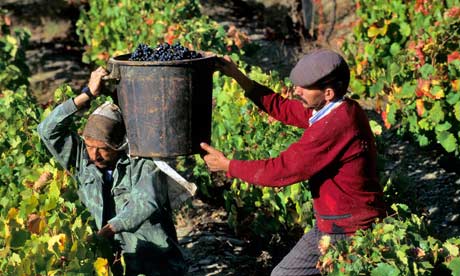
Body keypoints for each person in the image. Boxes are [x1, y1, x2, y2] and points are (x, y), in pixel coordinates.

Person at [200, 49, 386, 275]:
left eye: (304, 88)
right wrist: (238, 77)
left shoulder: (334, 125)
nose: (296, 91)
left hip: (346, 230)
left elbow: (281, 170)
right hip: (335, 223)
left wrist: (228, 166)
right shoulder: (338, 109)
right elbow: (283, 108)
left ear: (327, 93)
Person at [38, 67, 187, 276]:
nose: (94, 155)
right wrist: (87, 94)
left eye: (103, 149)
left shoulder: (145, 162)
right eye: (89, 146)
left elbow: (144, 203)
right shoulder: (80, 159)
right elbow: (47, 130)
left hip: (154, 262)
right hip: (111, 262)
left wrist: (107, 231)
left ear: (120, 145)